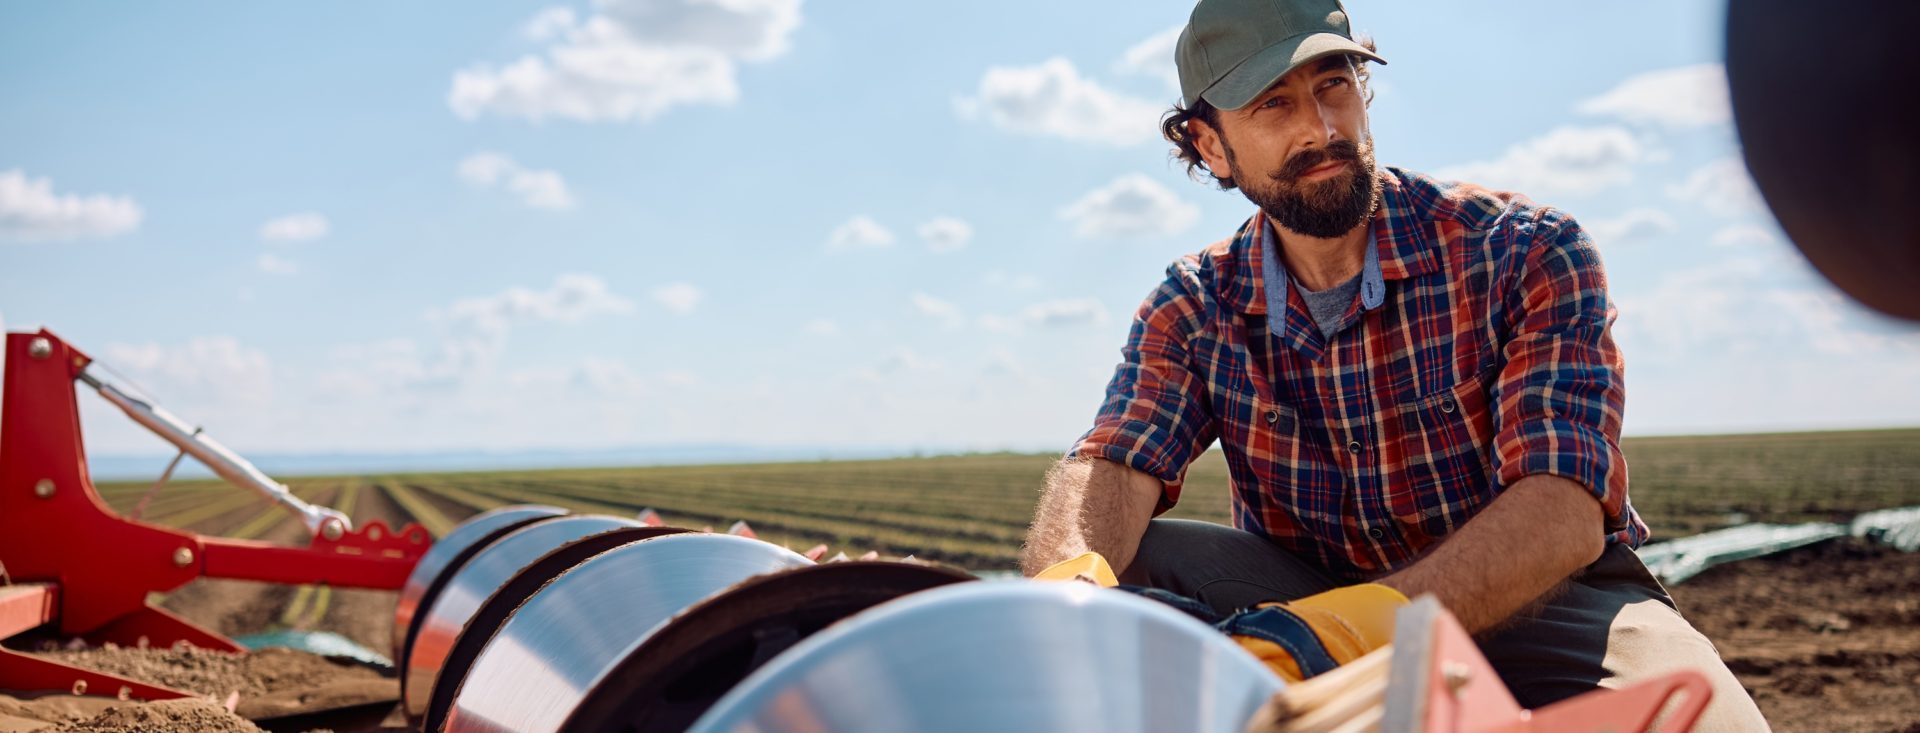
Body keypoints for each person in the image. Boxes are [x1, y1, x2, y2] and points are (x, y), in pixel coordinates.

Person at [1018, 0, 1770, 729]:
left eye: (1334, 86)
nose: (1321, 127)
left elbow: (1564, 506)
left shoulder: (1523, 249)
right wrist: (1063, 597)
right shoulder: (1194, 304)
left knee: (1709, 722)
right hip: (1314, 591)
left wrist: (1353, 631)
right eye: (1273, 105)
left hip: (1549, 596)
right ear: (1210, 145)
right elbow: (1113, 464)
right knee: (1126, 563)